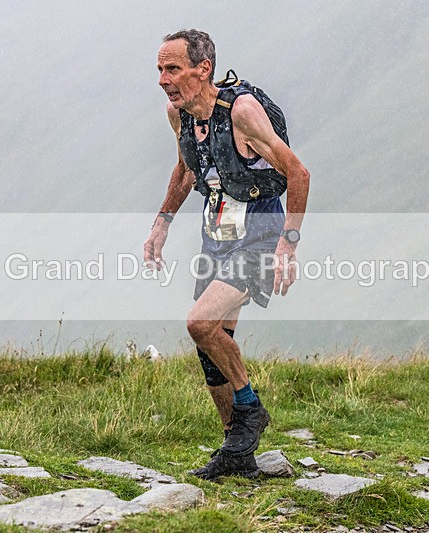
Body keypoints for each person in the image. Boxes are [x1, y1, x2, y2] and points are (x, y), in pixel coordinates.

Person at [143, 29, 310, 480]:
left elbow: (297, 172)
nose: (163, 79)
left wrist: (288, 244)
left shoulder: (242, 112)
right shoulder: (178, 114)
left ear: (203, 69)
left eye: (172, 68)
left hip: (260, 233)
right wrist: (162, 223)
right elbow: (185, 170)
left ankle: (249, 411)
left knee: (200, 324)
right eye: (160, 69)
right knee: (211, 348)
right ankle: (237, 453)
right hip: (216, 235)